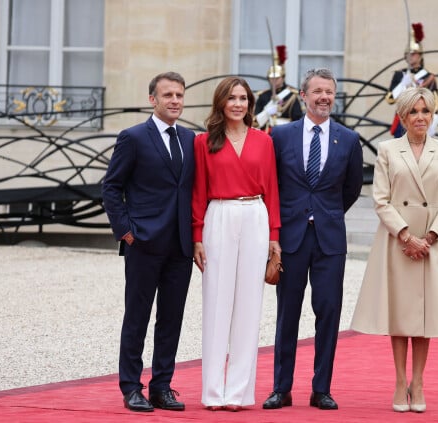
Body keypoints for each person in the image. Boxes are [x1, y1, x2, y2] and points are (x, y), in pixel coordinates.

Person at [350, 87, 438, 413]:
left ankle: (418, 381)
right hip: (396, 241)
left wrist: (429, 237)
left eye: (425, 111)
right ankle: (400, 381)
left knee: (424, 316)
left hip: (432, 243)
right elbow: (380, 199)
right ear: (402, 115)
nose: (420, 117)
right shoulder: (387, 150)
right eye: (413, 112)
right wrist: (404, 235)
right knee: (400, 314)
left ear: (432, 114)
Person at [262, 68, 364, 411]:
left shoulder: (348, 140)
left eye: (330, 92)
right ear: (303, 96)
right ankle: (281, 388)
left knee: (329, 311)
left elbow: (350, 189)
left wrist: (325, 214)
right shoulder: (280, 136)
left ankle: (321, 389)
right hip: (290, 239)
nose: (324, 97)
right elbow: (271, 185)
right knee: (287, 314)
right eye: (318, 91)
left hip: (329, 240)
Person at [102, 71, 195, 412]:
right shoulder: (134, 137)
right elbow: (111, 187)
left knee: (171, 318)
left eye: (179, 96)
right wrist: (126, 230)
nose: (175, 101)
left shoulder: (190, 139)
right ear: (152, 99)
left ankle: (162, 386)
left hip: (180, 246)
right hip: (143, 242)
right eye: (168, 95)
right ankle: (130, 387)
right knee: (138, 316)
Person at [192, 76, 281, 412]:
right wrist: (196, 236)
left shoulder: (264, 141)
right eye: (232, 98)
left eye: (243, 98)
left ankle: (239, 392)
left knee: (249, 304)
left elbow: (272, 188)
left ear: (250, 104)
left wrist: (275, 236)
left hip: (255, 215)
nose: (238, 104)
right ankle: (213, 391)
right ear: (221, 103)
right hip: (219, 215)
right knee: (217, 302)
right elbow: (198, 191)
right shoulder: (204, 142)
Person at [385, 22, 438, 138]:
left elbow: (435, 103)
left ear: (420, 56)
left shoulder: (428, 77)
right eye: (408, 54)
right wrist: (402, 84)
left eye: (414, 54)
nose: (411, 56)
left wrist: (431, 123)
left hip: (421, 121)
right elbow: (389, 99)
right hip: (403, 120)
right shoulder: (399, 75)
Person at [254, 45, 304, 131]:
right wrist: (266, 113)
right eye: (271, 78)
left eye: (277, 78)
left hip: (286, 131)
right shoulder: (263, 96)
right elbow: (255, 121)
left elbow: (297, 119)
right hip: (266, 132)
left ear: (283, 78)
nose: (273, 81)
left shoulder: (291, 95)